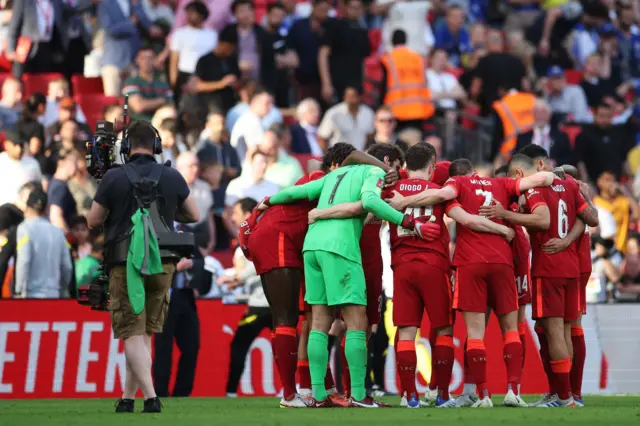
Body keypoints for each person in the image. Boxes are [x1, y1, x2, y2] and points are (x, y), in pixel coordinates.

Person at [255, 147, 436, 408]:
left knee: (319, 321)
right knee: (356, 321)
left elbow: (297, 192)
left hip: (312, 246)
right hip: (340, 247)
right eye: (393, 166)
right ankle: (359, 394)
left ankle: (317, 395)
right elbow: (372, 202)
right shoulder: (374, 171)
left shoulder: (332, 176)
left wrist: (270, 200)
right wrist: (408, 222)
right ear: (385, 162)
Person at [385, 158, 559, 407]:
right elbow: (545, 178)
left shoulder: (456, 184)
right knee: (511, 328)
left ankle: (481, 394)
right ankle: (513, 391)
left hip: (468, 263)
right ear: (476, 172)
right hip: (503, 260)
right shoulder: (502, 182)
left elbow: (459, 212)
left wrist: (403, 199)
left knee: (474, 333)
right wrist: (504, 228)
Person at [87, 120, 200, 413]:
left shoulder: (114, 177)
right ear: (157, 146)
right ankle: (127, 398)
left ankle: (150, 397)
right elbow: (194, 214)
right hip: (164, 264)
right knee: (145, 333)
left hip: (125, 263)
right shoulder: (172, 176)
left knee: (132, 332)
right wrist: (163, 211)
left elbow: (93, 220)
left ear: (126, 147)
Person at [489, 153, 598, 407]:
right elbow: (590, 219)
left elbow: (542, 219)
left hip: (548, 267)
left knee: (554, 333)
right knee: (567, 333)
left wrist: (505, 213)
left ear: (519, 175)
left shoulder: (535, 189)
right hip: (572, 267)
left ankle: (564, 397)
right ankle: (568, 393)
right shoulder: (570, 184)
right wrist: (568, 239)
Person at [224, 197, 273, 397]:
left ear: (247, 215)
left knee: (239, 345)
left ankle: (230, 392)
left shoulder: (254, 236)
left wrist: (235, 277)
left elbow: (256, 264)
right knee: (288, 346)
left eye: (236, 213)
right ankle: (297, 388)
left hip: (260, 305)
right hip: (277, 303)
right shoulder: (268, 232)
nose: (232, 218)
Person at [14, 188, 73, 298]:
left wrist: (18, 290)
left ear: (27, 206)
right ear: (46, 208)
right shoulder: (58, 232)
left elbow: (24, 260)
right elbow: (67, 267)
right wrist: (62, 288)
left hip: (30, 294)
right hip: (54, 294)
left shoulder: (24, 228)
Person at [379, 29, 434, 131]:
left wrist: (381, 106)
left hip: (397, 111)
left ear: (392, 41)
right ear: (406, 40)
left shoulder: (388, 59)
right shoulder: (418, 58)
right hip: (419, 109)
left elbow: (384, 86)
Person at [318, 0, 370, 105]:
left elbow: (363, 61)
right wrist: (326, 83)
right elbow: (323, 55)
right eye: (352, 7)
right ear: (345, 8)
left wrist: (364, 83)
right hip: (337, 84)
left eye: (358, 8)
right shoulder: (334, 26)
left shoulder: (363, 32)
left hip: (356, 85)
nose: (356, 11)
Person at [169, 1, 217, 102]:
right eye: (189, 13)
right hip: (185, 74)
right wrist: (173, 80)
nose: (190, 16)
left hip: (206, 76)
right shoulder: (179, 33)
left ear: (202, 15)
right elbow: (174, 59)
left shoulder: (212, 34)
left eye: (193, 13)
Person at [515, 99, 574, 166]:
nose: (540, 116)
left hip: (554, 173)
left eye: (543, 112)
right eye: (537, 112)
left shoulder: (561, 136)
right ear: (533, 115)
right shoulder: (523, 137)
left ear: (549, 115)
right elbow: (516, 160)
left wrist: (555, 162)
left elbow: (570, 159)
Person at [123, 44, 174, 122]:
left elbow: (171, 105)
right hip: (139, 125)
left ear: (155, 59)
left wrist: (148, 103)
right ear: (137, 60)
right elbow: (139, 106)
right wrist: (162, 100)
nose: (147, 61)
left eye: (150, 58)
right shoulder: (131, 81)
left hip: (161, 124)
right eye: (143, 58)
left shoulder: (162, 82)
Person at [317, 86, 375, 152]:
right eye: (347, 96)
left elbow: (370, 137)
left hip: (360, 157)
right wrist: (328, 157)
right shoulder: (334, 113)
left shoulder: (368, 113)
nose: (349, 99)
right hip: (338, 157)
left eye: (353, 96)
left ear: (360, 97)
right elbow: (322, 137)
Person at [0, 131, 42, 206]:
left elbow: (38, 184)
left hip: (25, 210)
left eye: (21, 145)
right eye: (15, 145)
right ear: (7, 145)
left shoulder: (32, 163)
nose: (19, 149)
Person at [48, 148, 79, 233]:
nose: (77, 167)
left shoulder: (56, 183)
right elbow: (55, 217)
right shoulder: (59, 187)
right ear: (65, 162)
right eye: (75, 163)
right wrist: (69, 240)